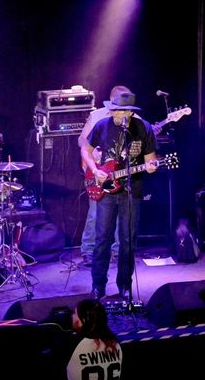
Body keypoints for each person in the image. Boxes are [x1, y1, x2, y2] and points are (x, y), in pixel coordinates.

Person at [81, 92, 157, 300]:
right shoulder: (102, 126)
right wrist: (94, 170)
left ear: (130, 113)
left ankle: (124, 285)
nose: (114, 113)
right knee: (102, 239)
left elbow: (150, 160)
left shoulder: (143, 128)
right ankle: (98, 285)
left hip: (132, 191)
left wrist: (151, 166)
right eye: (113, 109)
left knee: (127, 241)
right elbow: (85, 150)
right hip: (106, 189)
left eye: (119, 111)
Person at [77, 85, 142, 267]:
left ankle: (118, 251)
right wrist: (94, 152)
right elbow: (82, 140)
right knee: (95, 212)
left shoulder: (135, 119)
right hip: (101, 170)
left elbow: (143, 141)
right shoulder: (97, 116)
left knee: (123, 212)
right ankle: (89, 250)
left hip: (123, 173)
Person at [64, 299, 123, 380]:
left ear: (84, 319)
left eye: (74, 313)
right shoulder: (115, 344)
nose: (72, 316)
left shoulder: (72, 344)